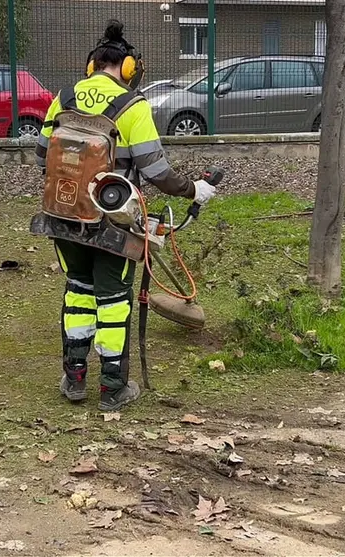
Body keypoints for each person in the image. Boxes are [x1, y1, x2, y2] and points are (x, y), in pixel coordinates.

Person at [34, 20, 216, 411]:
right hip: (111, 224)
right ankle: (113, 387)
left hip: (63, 219)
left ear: (91, 65)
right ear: (129, 68)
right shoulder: (133, 107)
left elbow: (40, 158)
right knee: (114, 300)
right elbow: (156, 172)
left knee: (78, 293)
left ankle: (75, 379)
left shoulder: (62, 98)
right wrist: (194, 189)